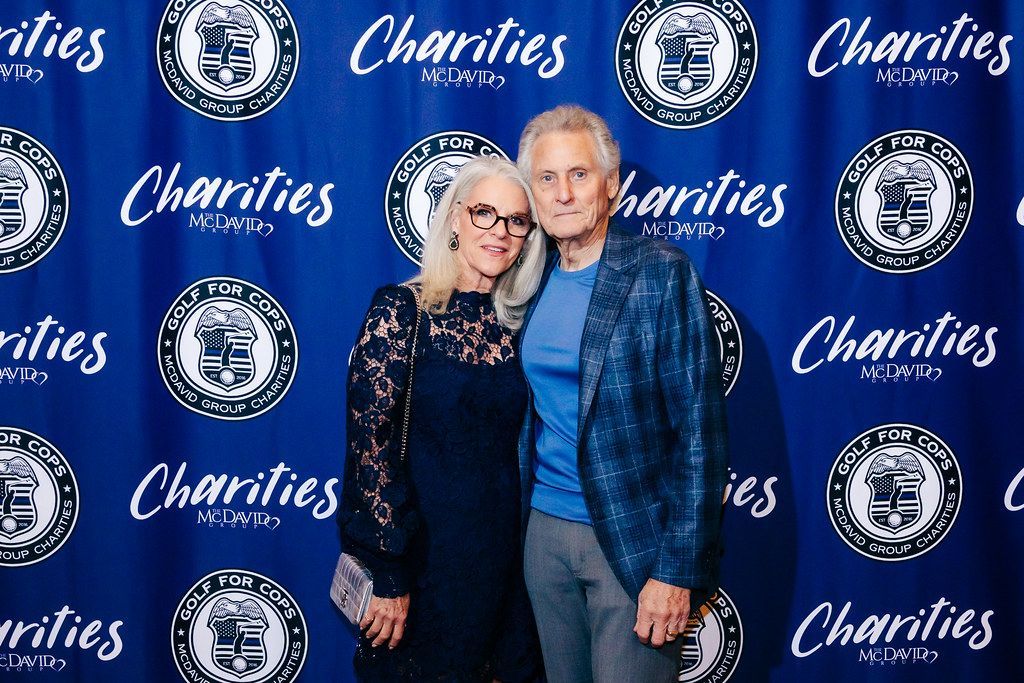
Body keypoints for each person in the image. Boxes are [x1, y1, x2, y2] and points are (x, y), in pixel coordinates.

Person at [516, 104, 729, 682]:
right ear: (532, 194)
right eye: (547, 178)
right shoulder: (525, 281)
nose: (563, 193)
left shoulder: (660, 273)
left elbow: (699, 433)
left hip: (633, 540)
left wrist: (677, 570)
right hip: (543, 536)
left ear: (609, 186)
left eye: (579, 175)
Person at [338, 155, 546, 682]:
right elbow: (370, 450)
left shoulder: (524, 329)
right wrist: (389, 570)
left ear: (527, 237)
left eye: (515, 220)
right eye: (484, 213)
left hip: (506, 567)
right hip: (422, 565)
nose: (499, 231)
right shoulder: (401, 311)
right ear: (455, 217)